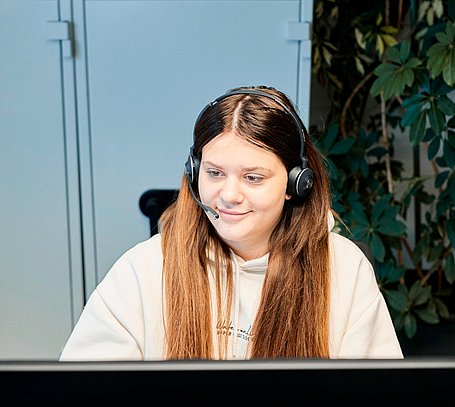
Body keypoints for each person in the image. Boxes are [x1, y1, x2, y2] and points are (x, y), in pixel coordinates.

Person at [60, 86, 403, 361]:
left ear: (296, 183)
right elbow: (83, 400)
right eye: (214, 173)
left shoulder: (344, 268)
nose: (229, 195)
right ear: (194, 175)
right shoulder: (143, 269)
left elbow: (378, 404)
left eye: (253, 178)